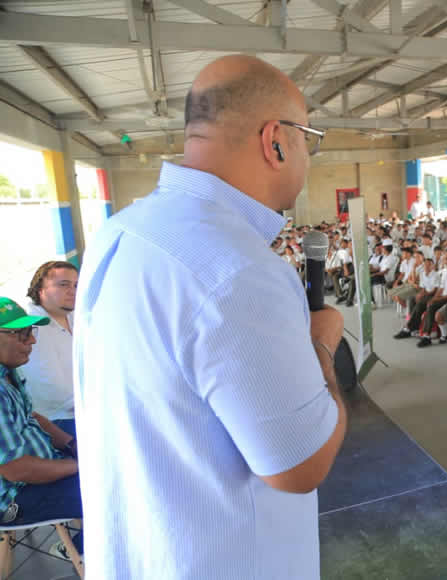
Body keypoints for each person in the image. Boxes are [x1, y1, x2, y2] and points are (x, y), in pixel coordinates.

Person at [74, 56, 347, 578]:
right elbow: (299, 465)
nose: (307, 157)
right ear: (276, 141)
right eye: (308, 139)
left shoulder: (119, 232)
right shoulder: (237, 267)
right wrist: (322, 346)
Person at [0, 297, 82, 562]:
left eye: (30, 332)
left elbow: (33, 417)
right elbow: (17, 469)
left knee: (92, 437)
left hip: (36, 471)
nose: (32, 340)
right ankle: (86, 549)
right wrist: (82, 465)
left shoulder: (8, 373)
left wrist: (72, 445)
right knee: (109, 485)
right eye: (22, 334)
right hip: (17, 495)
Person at [19, 261, 78, 423]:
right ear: (40, 291)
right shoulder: (33, 326)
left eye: (75, 285)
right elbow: (52, 390)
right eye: (64, 284)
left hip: (85, 407)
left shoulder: (76, 317)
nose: (72, 291)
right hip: (59, 419)